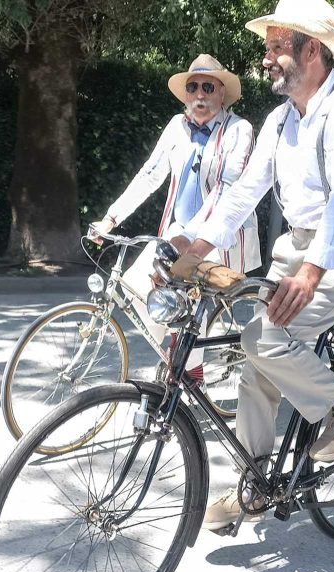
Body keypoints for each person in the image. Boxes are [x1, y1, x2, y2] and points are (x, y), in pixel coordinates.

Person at [171, 0, 334, 530]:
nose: (267, 59)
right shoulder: (278, 118)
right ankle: (255, 485)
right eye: (268, 47)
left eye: (277, 47)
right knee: (257, 361)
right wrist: (194, 252)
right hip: (294, 249)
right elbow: (245, 191)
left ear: (311, 49)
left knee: (266, 339)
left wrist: (314, 269)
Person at [90, 54, 261, 381]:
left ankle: (186, 369)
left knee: (182, 297)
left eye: (207, 86)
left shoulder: (239, 130)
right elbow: (149, 176)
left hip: (218, 239)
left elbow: (226, 192)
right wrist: (110, 219)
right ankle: (185, 361)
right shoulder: (176, 127)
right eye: (192, 87)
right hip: (176, 233)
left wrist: (191, 241)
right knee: (135, 290)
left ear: (221, 93)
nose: (199, 94)